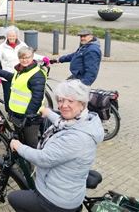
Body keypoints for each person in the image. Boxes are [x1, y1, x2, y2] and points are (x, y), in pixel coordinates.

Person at [8, 79, 104, 212]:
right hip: (68, 188)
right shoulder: (84, 120)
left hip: (56, 200)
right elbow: (62, 122)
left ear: (82, 104)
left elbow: (43, 159)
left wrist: (19, 146)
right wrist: (48, 113)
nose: (63, 105)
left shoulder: (76, 138)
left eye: (70, 101)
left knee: (13, 198)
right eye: (60, 100)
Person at [0, 46, 47, 148]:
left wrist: (28, 117)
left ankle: (35, 163)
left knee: (31, 143)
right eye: (22, 58)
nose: (24, 60)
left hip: (29, 117)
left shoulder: (37, 75)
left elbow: (37, 99)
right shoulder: (20, 70)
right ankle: (23, 161)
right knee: (21, 140)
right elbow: (15, 80)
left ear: (32, 57)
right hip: (17, 114)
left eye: (27, 57)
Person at [0, 26, 50, 112]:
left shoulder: (22, 45)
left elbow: (29, 55)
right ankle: (9, 113)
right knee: (8, 97)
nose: (11, 37)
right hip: (7, 77)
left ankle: (20, 112)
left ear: (17, 36)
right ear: (6, 36)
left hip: (21, 74)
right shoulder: (1, 47)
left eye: (13, 35)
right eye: (9, 35)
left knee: (20, 96)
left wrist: (42, 58)